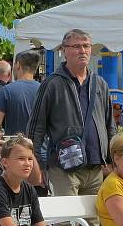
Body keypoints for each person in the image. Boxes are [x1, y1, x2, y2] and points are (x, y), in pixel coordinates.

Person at [27, 29, 115, 197]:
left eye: (86, 46)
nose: (82, 51)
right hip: (63, 168)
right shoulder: (52, 84)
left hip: (96, 169)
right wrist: (36, 165)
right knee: (67, 222)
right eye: (76, 46)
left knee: (92, 223)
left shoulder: (99, 84)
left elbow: (110, 126)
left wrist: (112, 161)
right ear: (64, 50)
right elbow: (35, 129)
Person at [0, 50, 41, 135]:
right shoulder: (44, 90)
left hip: (15, 146)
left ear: (18, 65)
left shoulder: (6, 91)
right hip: (40, 146)